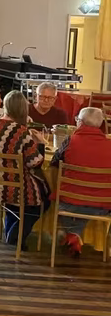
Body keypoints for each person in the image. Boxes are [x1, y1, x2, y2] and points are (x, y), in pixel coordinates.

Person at [0, 91, 49, 246]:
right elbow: (35, 163)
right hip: (13, 188)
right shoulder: (21, 132)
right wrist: (41, 143)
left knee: (19, 194)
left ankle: (11, 228)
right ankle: (16, 234)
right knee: (44, 198)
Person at [50, 106, 111, 257]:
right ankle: (74, 235)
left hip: (69, 203)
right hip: (102, 206)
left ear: (81, 122)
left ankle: (72, 234)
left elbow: (54, 164)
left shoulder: (70, 141)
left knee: (60, 199)